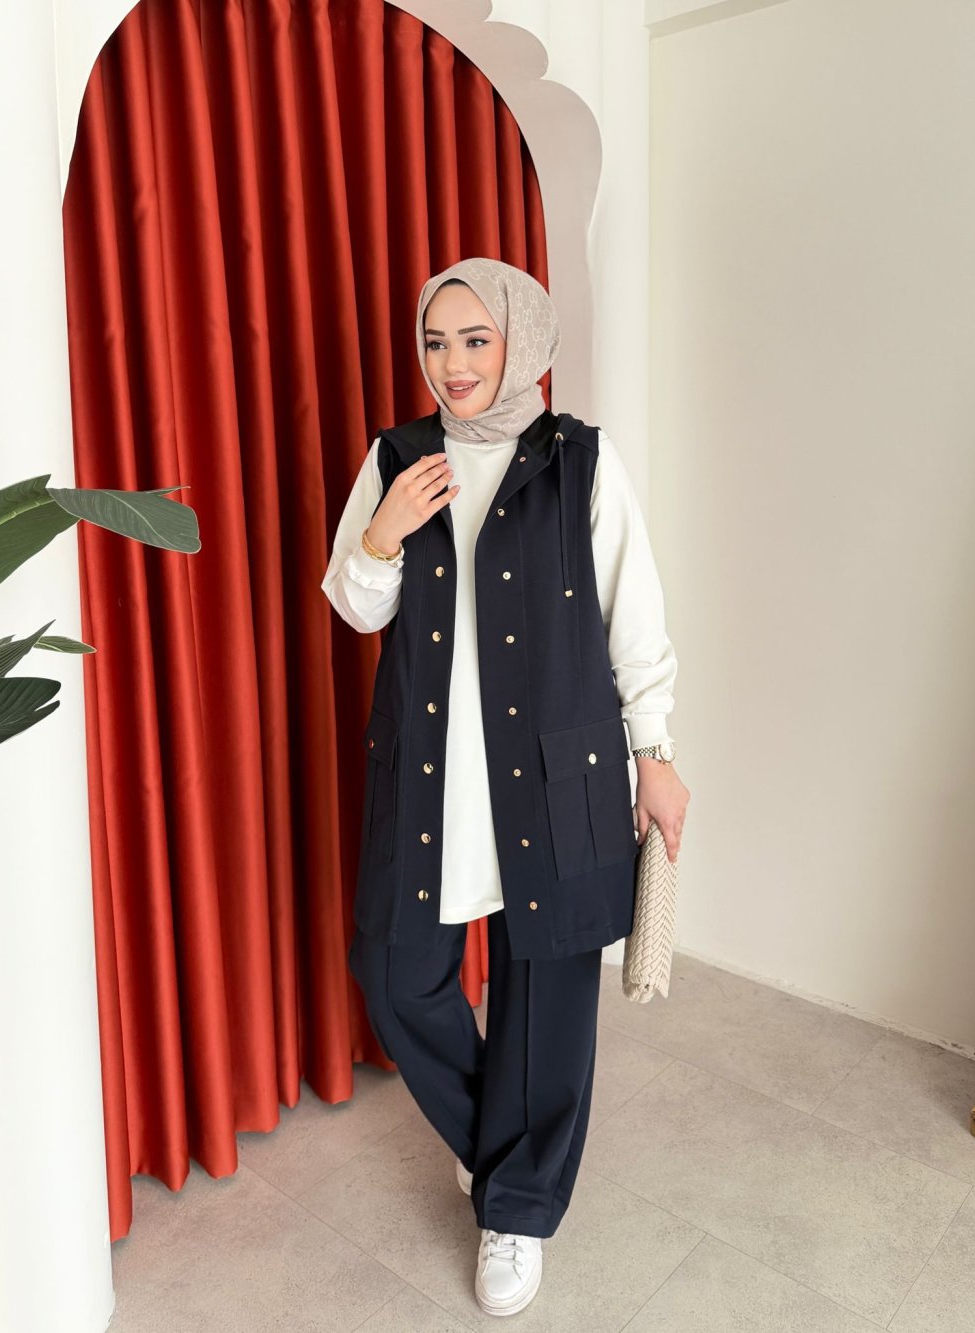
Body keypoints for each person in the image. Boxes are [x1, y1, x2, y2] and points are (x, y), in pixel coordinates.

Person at [321, 257, 689, 1318]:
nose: (453, 363)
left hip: (556, 768)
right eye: (436, 341)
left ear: (522, 340)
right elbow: (356, 606)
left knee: (548, 995)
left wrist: (656, 752)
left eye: (475, 339)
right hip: (433, 770)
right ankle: (504, 1141)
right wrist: (383, 530)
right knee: (396, 974)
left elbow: (633, 613)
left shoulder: (581, 461)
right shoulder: (397, 457)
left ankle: (517, 1210)